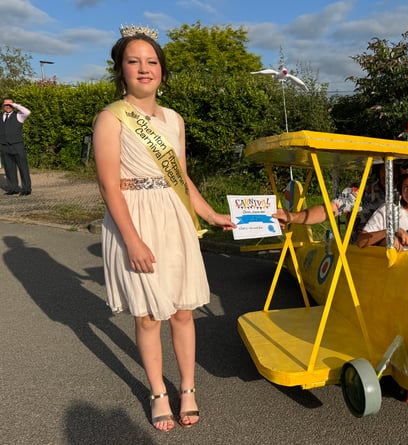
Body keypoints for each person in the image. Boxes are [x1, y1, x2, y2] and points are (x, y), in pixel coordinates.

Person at [93, 26, 235, 432]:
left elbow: (182, 178)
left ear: (162, 70)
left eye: (151, 61)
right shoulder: (110, 117)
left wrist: (209, 214)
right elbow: (108, 185)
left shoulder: (175, 119)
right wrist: (132, 240)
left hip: (174, 217)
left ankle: (188, 388)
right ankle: (158, 391)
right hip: (135, 218)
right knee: (149, 317)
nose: (144, 69)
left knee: (183, 309)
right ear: (121, 70)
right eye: (133, 61)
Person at [273, 161, 408, 244]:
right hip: (363, 254)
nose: (392, 172)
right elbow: (330, 209)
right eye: (387, 166)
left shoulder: (407, 192)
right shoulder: (361, 190)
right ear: (379, 167)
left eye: (397, 167)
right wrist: (292, 217)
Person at [1, 97, 32, 196]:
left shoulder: (19, 115)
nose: (8, 106)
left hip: (17, 145)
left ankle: (26, 189)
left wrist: (15, 105)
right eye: (6, 105)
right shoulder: (1, 116)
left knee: (23, 167)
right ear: (3, 106)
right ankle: (13, 188)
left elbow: (27, 112)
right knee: (9, 168)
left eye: (10, 105)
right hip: (4, 146)